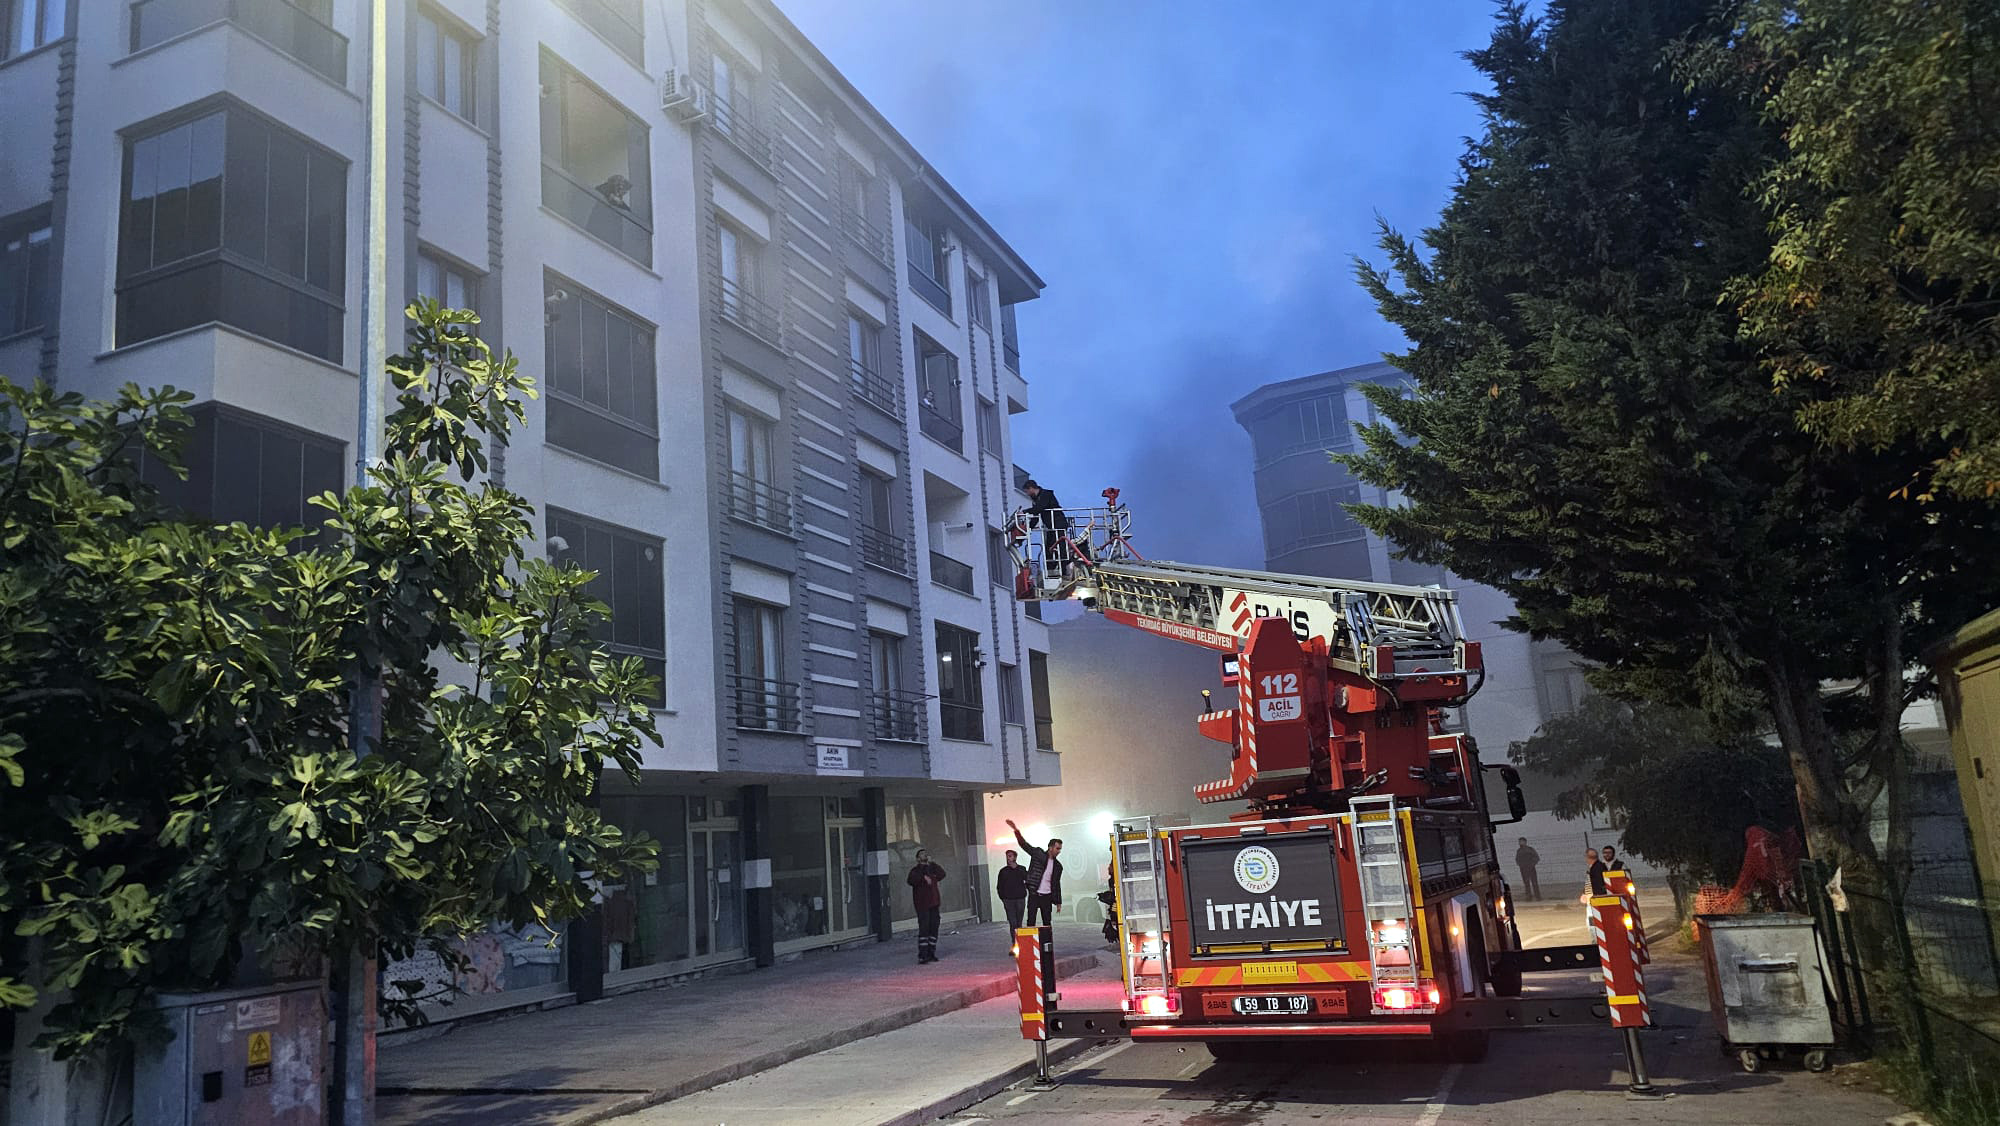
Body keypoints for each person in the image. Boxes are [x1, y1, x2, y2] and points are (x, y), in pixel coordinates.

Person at [1007, 818, 1065, 926]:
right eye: (1057, 848)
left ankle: (1047, 943)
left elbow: (1056, 884)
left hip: (1047, 896)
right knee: (1031, 921)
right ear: (1050, 848)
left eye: (1060, 849)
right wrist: (1016, 830)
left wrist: (1058, 902)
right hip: (1034, 893)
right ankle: (1031, 943)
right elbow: (1024, 845)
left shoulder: (1058, 866)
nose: (1059, 851)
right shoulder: (1038, 854)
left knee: (1047, 922)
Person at [1022, 480, 1080, 576]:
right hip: (1051, 527)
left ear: (1031, 488)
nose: (1027, 494)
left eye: (1027, 491)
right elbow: (1037, 515)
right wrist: (1028, 528)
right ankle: (1051, 571)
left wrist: (1025, 512)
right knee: (1049, 548)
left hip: (1058, 524)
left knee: (1061, 548)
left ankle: (1065, 570)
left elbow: (1040, 508)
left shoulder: (1046, 494)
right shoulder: (1036, 499)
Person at [907, 849, 947, 963]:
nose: (925, 855)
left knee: (933, 928)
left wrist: (932, 863)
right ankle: (922, 955)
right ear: (918, 858)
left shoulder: (932, 868)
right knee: (924, 929)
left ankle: (931, 953)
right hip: (922, 905)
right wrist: (923, 876)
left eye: (926, 853)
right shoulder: (915, 871)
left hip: (934, 904)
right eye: (922, 854)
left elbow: (942, 874)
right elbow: (911, 880)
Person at [996, 849, 1029, 934]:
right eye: (1007, 856)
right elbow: (999, 886)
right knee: (1012, 922)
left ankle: (1019, 942)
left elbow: (1027, 880)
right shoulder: (1003, 871)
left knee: (1019, 923)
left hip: (1020, 899)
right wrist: (1003, 898)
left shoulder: (1022, 869)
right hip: (1008, 900)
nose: (1008, 858)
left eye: (1010, 856)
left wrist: (1024, 892)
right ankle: (1014, 942)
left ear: (1015, 857)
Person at [1514, 837, 1541, 901]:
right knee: (1526, 883)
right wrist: (1521, 865)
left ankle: (1538, 897)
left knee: (1534, 883)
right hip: (1523, 869)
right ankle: (1529, 897)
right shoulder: (1519, 851)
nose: (1520, 843)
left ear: (1525, 842)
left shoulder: (1530, 849)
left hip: (1531, 869)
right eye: (1519, 842)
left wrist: (1532, 864)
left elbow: (1536, 858)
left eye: (1521, 841)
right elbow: (1517, 859)